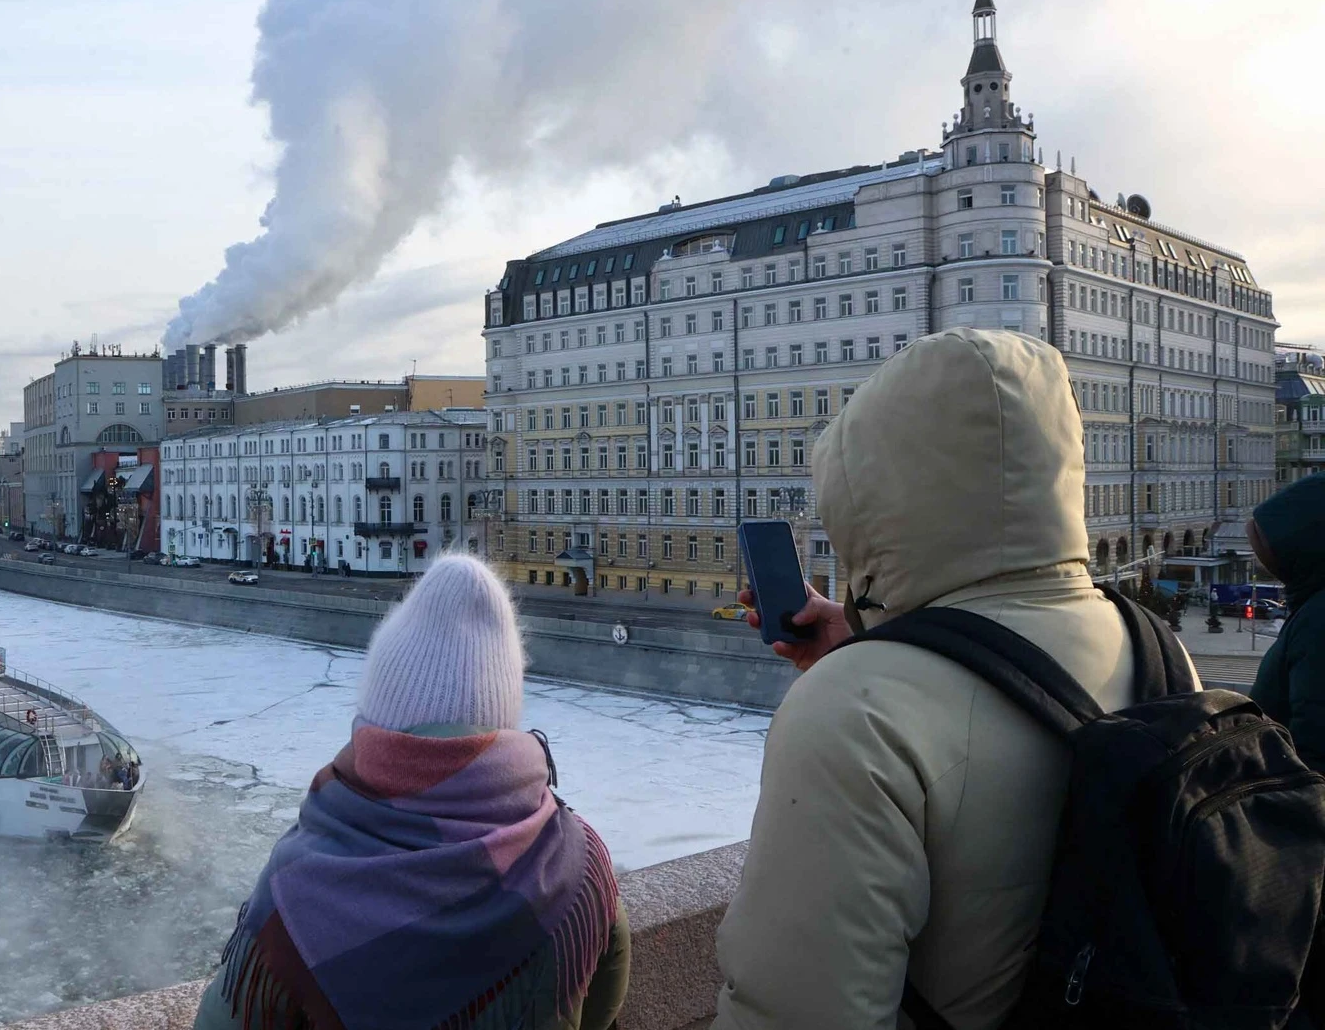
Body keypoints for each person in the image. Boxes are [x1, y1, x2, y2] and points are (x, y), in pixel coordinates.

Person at [713, 329, 1192, 1029]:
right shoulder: (1154, 643)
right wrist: (878, 645)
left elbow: (797, 1012)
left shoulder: (854, 715)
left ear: (869, 489)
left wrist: (871, 673)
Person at [193, 555, 628, 1030]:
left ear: (377, 723)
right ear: (503, 717)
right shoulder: (576, 861)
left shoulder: (301, 886)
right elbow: (600, 1010)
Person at [1248, 473, 1325, 769]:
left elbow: (1314, 746)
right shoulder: (1313, 604)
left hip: (1294, 802)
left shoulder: (1318, 621)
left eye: (1268, 547)